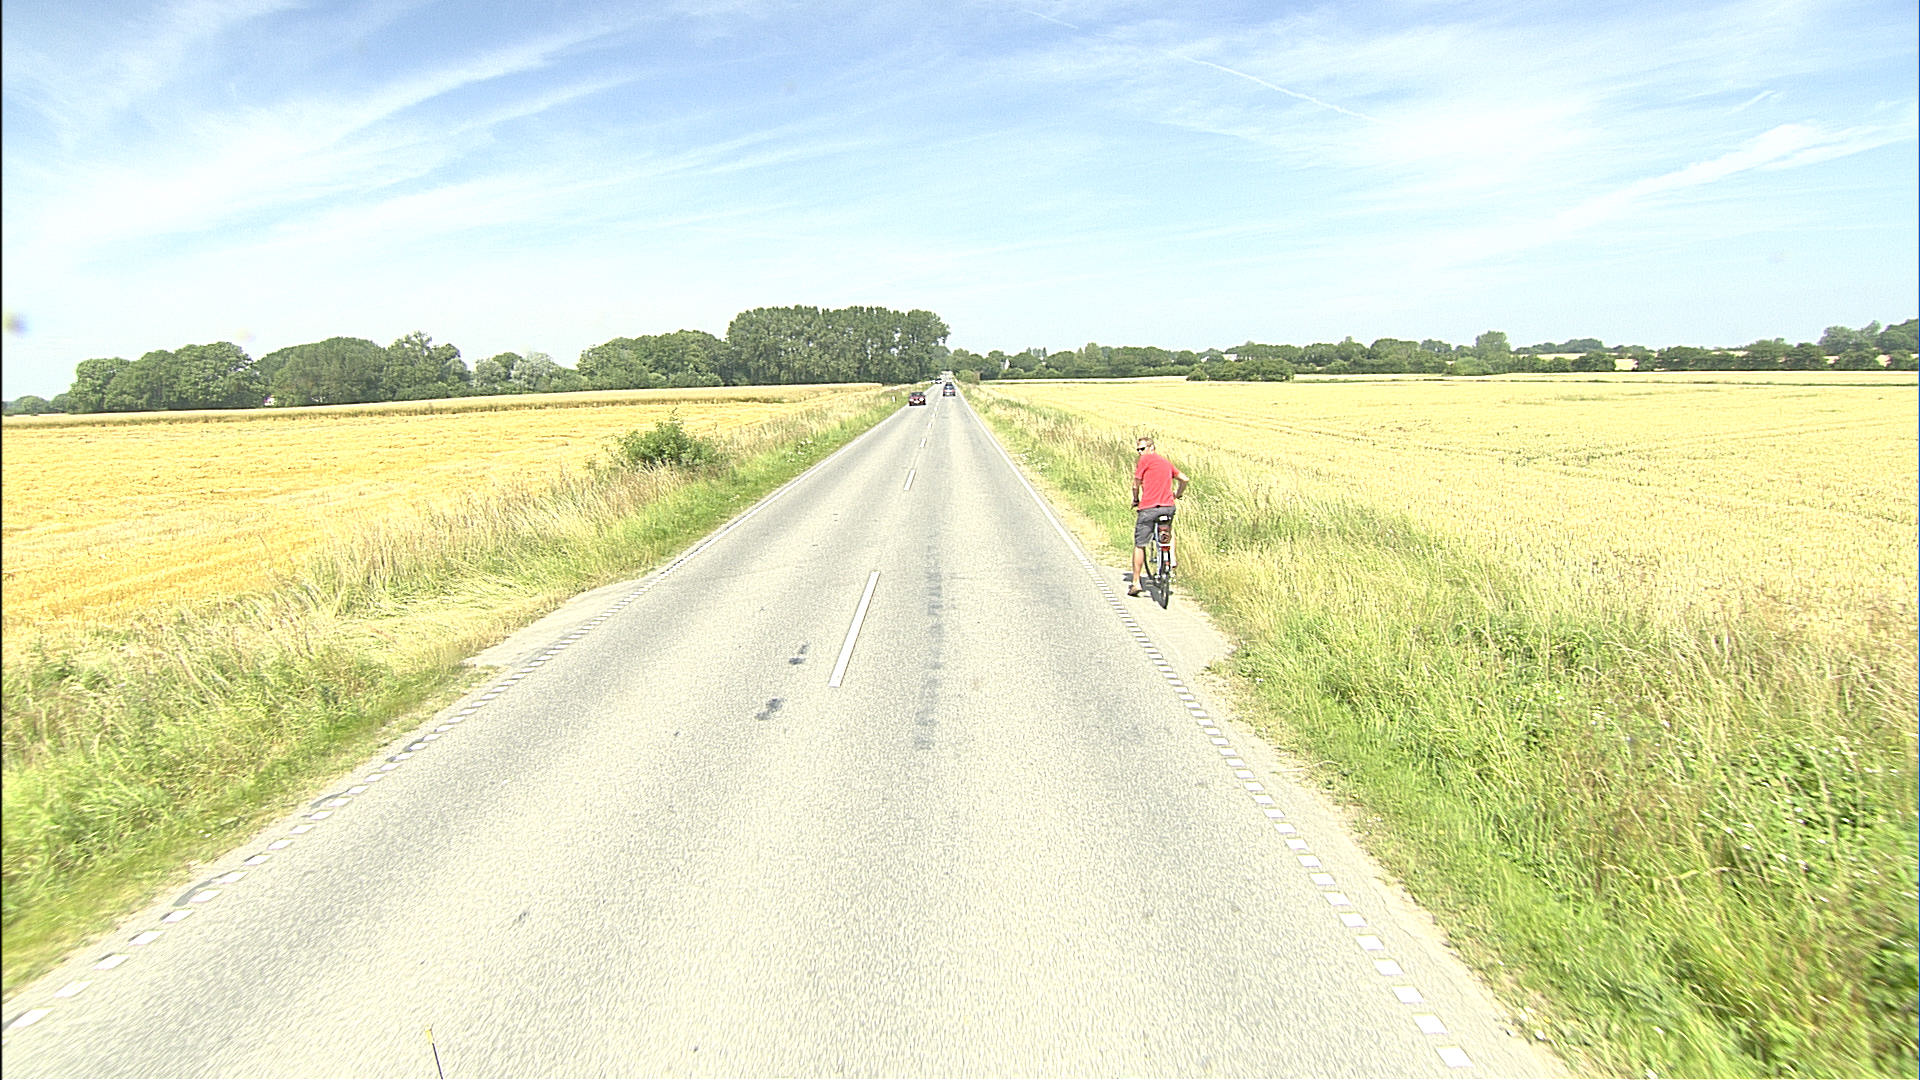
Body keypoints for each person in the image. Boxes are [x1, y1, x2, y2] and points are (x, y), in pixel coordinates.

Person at [1130, 436, 1187, 597]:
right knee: (1168, 530)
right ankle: (1172, 558)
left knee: (1140, 544)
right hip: (1168, 507)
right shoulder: (1166, 462)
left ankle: (1136, 582)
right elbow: (1184, 479)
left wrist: (1135, 499)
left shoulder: (1144, 460)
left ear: (1151, 448)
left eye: (1142, 449)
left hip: (1148, 508)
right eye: (1138, 450)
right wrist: (1178, 494)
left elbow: (1135, 484)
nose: (1140, 452)